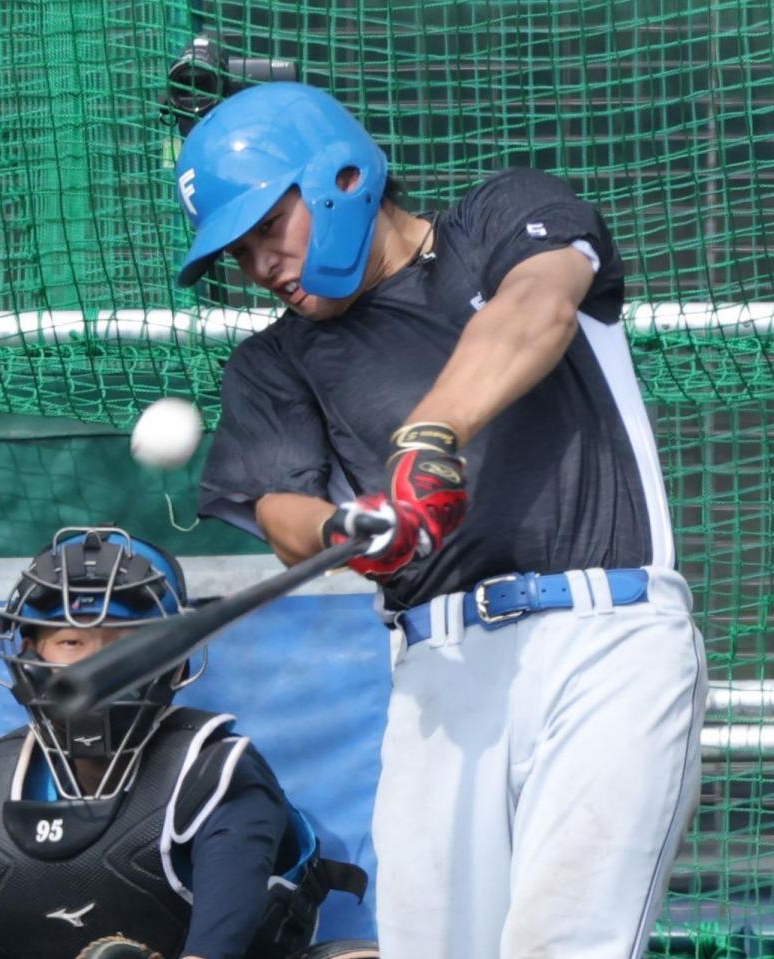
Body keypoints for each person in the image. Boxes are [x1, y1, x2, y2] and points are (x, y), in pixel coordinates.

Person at [173, 82, 708, 959]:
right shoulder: (272, 362)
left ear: (341, 175)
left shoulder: (503, 217)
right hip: (439, 669)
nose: (262, 264)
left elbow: (537, 304)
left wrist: (432, 434)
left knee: (563, 941)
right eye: (239, 252)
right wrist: (354, 529)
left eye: (270, 226)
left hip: (604, 639)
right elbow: (280, 510)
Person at [0, 525, 373, 959]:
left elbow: (217, 949)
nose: (98, 667)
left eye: (126, 644)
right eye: (71, 642)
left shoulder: (214, 771)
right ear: (28, 653)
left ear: (173, 658)